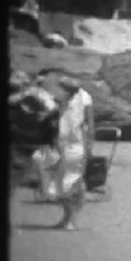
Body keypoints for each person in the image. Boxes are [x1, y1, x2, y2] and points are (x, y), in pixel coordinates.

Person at [32, 72, 92, 229]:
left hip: (72, 148)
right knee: (61, 185)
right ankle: (67, 218)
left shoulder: (80, 99)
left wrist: (89, 147)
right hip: (63, 147)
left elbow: (89, 125)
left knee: (67, 184)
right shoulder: (62, 100)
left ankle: (70, 219)